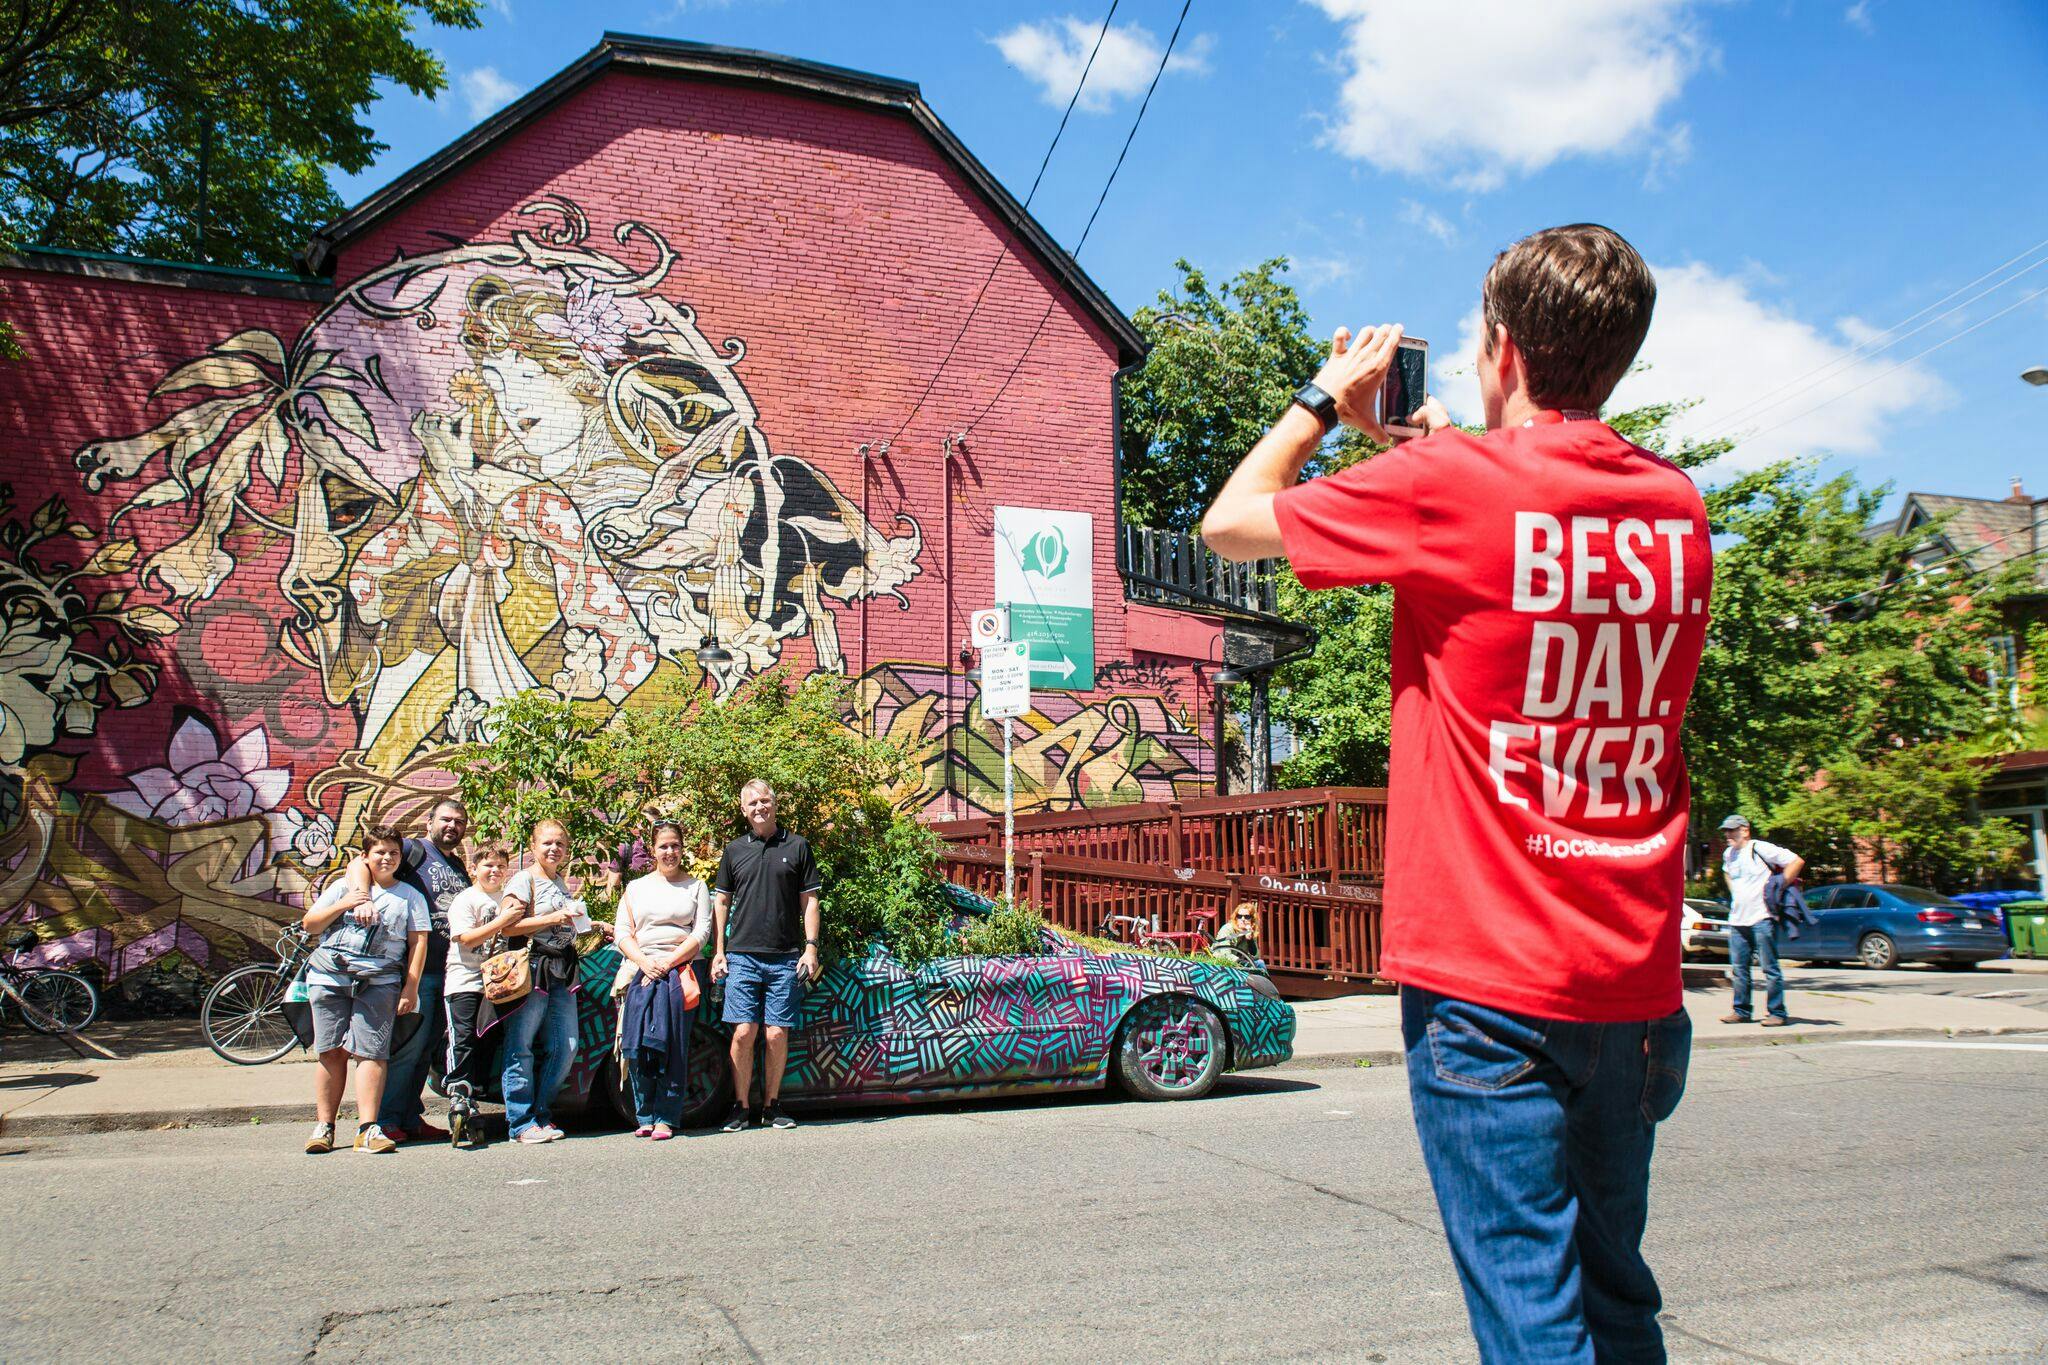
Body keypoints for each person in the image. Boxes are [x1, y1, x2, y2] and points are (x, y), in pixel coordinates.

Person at [1202, 224, 1709, 1363]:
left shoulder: (1445, 487)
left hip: (1490, 989)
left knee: (1530, 1319)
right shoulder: (1677, 510)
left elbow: (1228, 522)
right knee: (1614, 1302)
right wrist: (1436, 444)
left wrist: (1322, 400)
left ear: (1501, 348)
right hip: (1632, 986)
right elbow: (1542, 535)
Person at [336, 796, 472, 1142]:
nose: (452, 826)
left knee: (425, 1050)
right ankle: (385, 1118)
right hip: (416, 971)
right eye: (445, 819)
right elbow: (359, 863)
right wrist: (360, 896)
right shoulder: (414, 850)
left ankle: (411, 1116)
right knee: (406, 1045)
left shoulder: (456, 865)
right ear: (429, 822)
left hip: (447, 971)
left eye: (459, 821)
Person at [301, 824, 430, 1155]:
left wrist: (410, 988)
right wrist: (347, 902)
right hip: (329, 977)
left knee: (372, 1053)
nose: (387, 858)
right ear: (365, 856)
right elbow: (311, 924)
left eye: (393, 853)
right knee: (330, 1051)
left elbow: (418, 943)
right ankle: (324, 1126)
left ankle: (367, 1129)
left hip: (380, 982)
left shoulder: (410, 896)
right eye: (380, 853)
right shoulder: (343, 886)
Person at [711, 780, 821, 1132]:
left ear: (775, 804)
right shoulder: (733, 850)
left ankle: (772, 1106)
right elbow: (722, 901)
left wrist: (810, 947)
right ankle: (741, 1107)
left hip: (786, 955)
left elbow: (810, 900)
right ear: (743, 810)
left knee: (776, 1034)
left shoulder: (798, 846)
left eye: (765, 801)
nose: (760, 807)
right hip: (741, 954)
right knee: (743, 1032)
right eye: (752, 803)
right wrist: (718, 952)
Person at [614, 821, 712, 1138]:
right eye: (663, 846)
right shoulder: (636, 888)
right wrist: (644, 961)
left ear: (683, 849)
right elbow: (622, 933)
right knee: (639, 1041)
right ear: (653, 850)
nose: (669, 852)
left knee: (674, 1044)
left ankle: (667, 1117)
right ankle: (644, 1116)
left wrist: (669, 961)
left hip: (682, 971)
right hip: (641, 969)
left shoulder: (696, 887)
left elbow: (702, 932)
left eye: (675, 846)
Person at [498, 818, 587, 1145]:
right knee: (521, 1045)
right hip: (531, 970)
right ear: (533, 847)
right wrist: (552, 917)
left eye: (560, 844)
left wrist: (591, 925)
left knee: (566, 1046)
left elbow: (562, 927)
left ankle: (540, 1112)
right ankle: (520, 1123)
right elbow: (507, 927)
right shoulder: (524, 880)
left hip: (561, 971)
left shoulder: (559, 881)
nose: (554, 848)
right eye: (547, 843)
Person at [442, 841, 522, 1146]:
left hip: (498, 984)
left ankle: (474, 1094)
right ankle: (458, 1093)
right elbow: (466, 939)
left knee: (487, 1039)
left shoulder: (508, 898)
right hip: (466, 981)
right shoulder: (467, 900)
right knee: (462, 1039)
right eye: (488, 865)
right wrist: (503, 920)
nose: (495, 871)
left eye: (501, 866)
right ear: (474, 869)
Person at [1718, 814, 1804, 1027]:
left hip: (1762, 917)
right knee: (1739, 968)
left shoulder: (1760, 848)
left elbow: (1796, 861)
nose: (1728, 835)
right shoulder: (1729, 854)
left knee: (1769, 967)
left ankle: (1777, 1012)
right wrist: (1735, 894)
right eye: (1726, 831)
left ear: (1745, 830)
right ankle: (1741, 1011)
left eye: (1732, 830)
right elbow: (1727, 874)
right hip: (1738, 919)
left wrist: (1779, 884)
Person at [1209, 905, 1263, 971]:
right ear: (1235, 918)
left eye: (1247, 917)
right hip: (1220, 961)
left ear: (1252, 919)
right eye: (1239, 916)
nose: (1243, 919)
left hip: (1238, 963)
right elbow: (1225, 954)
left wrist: (1250, 940)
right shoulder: (1227, 929)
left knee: (1260, 963)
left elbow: (1256, 956)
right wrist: (1242, 963)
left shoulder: (1250, 931)